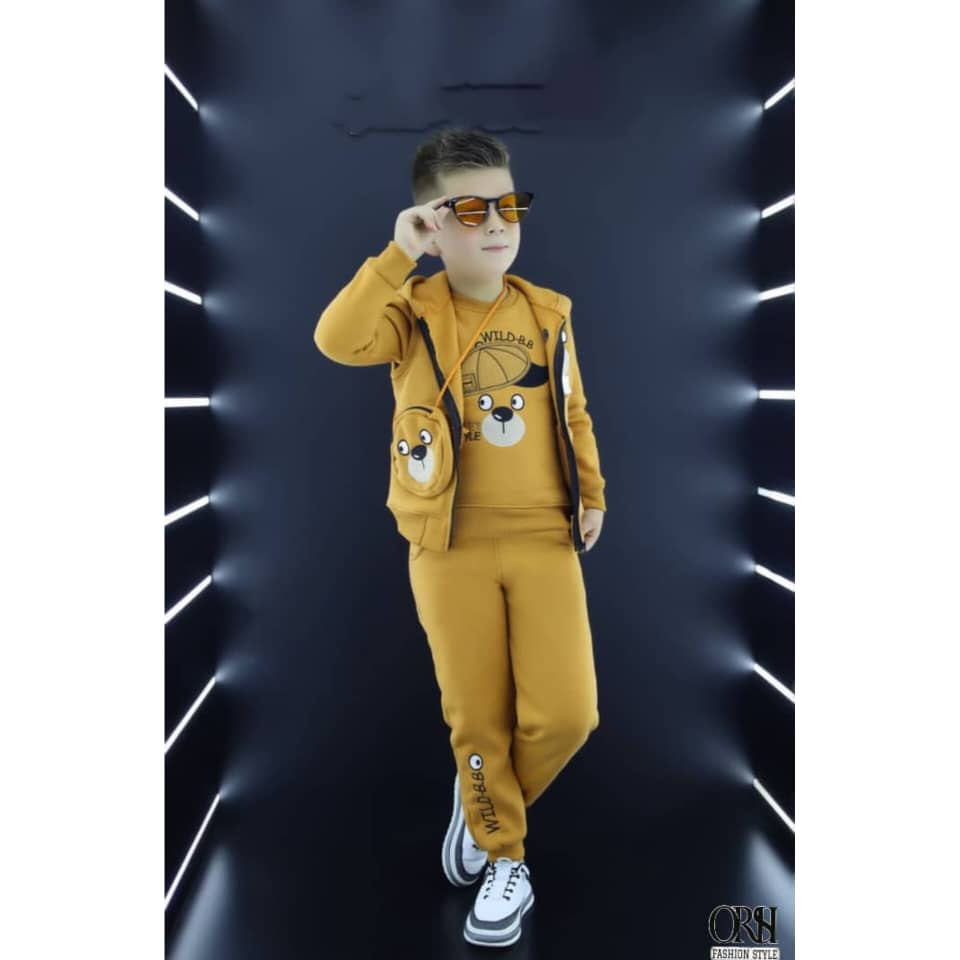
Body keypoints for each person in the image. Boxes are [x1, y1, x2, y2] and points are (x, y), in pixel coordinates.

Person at [313, 126, 607, 949]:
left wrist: (592, 492)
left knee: (568, 714)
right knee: (475, 715)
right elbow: (336, 340)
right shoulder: (410, 311)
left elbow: (573, 409)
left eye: (507, 206)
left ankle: (481, 802)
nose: (496, 224)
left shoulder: (548, 312)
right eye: (470, 211)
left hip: (545, 537)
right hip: (448, 546)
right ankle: (504, 853)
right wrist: (396, 256)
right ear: (432, 226)